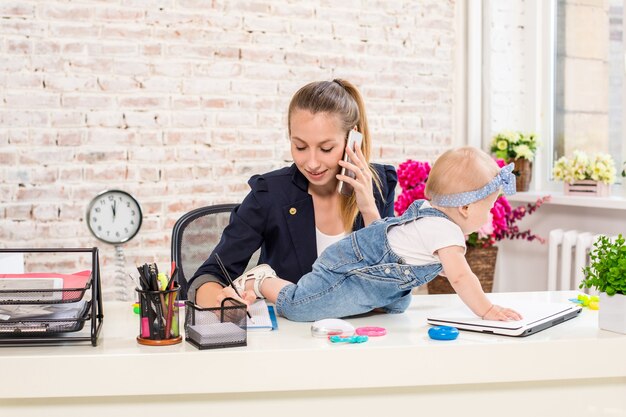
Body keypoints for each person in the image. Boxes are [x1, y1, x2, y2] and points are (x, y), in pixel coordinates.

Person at [218, 147, 523, 322]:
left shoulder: (433, 219)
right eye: (491, 206)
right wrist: (486, 309)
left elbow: (412, 256)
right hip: (351, 267)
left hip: (378, 267)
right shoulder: (445, 232)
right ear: (467, 208)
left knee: (399, 304)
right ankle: (262, 280)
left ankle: (371, 301)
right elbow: (461, 278)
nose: (492, 213)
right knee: (301, 306)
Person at [188, 79, 398, 307]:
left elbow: (392, 287)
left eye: (326, 148)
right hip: (292, 336)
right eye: (300, 146)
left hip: (363, 334)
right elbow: (210, 276)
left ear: (352, 139)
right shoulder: (270, 194)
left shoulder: (379, 185)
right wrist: (225, 304)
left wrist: (368, 209)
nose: (312, 163)